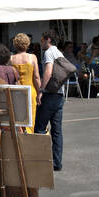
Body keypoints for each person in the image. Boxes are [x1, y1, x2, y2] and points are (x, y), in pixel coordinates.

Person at [35, 32, 66, 171]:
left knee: (40, 127)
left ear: (48, 40)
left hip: (50, 94)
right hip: (60, 94)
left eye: (42, 41)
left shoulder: (49, 52)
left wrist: (41, 90)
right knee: (57, 131)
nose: (41, 43)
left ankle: (41, 161)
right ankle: (57, 162)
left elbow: (48, 71)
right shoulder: (59, 52)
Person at [9, 33, 42, 128]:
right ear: (27, 44)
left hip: (17, 92)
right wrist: (40, 91)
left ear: (15, 45)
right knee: (32, 118)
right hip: (30, 91)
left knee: (19, 118)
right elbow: (36, 77)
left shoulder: (11, 59)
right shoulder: (32, 57)